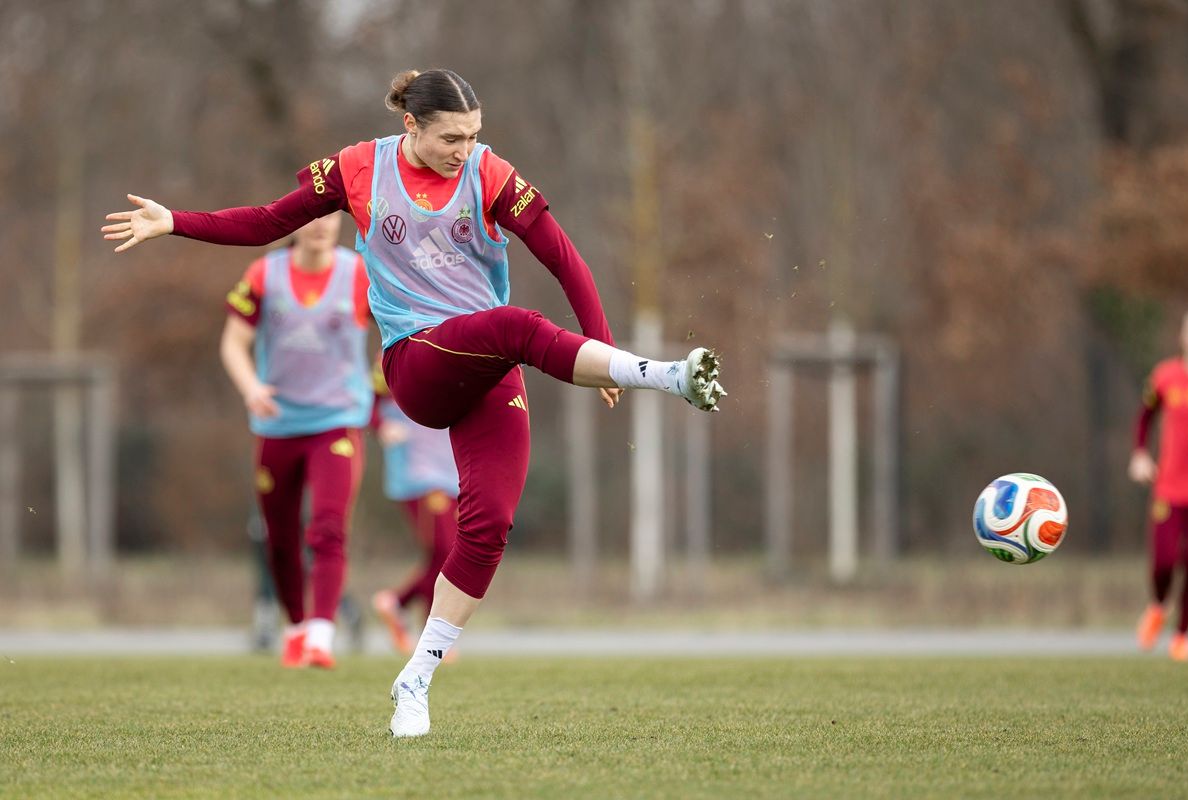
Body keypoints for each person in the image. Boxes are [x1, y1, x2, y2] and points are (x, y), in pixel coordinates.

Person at [103, 68, 726, 736]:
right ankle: (664, 377)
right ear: (411, 126)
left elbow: (564, 256)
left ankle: (415, 680)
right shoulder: (356, 169)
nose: (465, 149)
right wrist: (174, 221)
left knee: (486, 528)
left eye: (474, 135)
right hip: (417, 364)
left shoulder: (489, 175)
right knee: (514, 326)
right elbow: (264, 222)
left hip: (489, 372)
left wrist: (599, 347)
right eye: (451, 137)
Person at [219, 213, 372, 669]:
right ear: (295, 220)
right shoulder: (264, 274)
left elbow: (401, 332)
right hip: (278, 425)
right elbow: (232, 342)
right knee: (280, 538)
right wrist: (251, 388)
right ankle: (296, 628)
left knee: (327, 528)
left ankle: (322, 638)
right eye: (311, 216)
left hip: (337, 421)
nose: (321, 225)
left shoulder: (361, 274)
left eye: (330, 216)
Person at [369, 360, 460, 653]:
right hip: (417, 473)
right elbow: (365, 401)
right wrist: (382, 425)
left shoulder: (459, 348)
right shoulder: (395, 355)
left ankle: (397, 604)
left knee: (446, 554)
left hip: (451, 472)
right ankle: (431, 635)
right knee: (446, 552)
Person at [1129, 308, 1188, 662]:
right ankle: (1158, 606)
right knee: (1165, 561)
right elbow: (1145, 417)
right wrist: (1140, 454)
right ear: (1183, 337)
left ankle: (1182, 635)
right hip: (1170, 488)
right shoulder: (1165, 377)